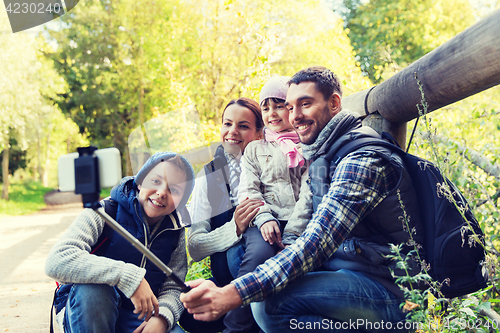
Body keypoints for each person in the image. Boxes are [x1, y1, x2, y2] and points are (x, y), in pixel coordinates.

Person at [180, 66, 423, 333]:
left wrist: (233, 294)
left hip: (389, 289)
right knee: (258, 286)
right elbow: (197, 243)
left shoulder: (359, 159)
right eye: (291, 106)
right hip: (348, 268)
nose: (295, 116)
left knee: (270, 306)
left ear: (334, 103)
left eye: (304, 104)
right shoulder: (322, 151)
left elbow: (317, 241)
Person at [45, 152, 195, 333]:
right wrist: (127, 276)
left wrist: (162, 318)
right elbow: (56, 261)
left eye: (175, 190)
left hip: (139, 316)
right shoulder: (104, 212)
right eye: (155, 181)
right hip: (88, 311)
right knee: (95, 291)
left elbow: (173, 286)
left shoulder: (175, 230)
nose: (162, 192)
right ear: (139, 182)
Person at [221, 76, 313, 332]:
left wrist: (294, 232)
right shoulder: (254, 150)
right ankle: (235, 327)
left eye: (279, 105)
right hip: (263, 220)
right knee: (258, 256)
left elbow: (309, 191)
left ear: (291, 107)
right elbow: (249, 189)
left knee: (297, 262)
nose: (272, 113)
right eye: (266, 107)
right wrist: (264, 218)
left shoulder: (307, 145)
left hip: (298, 222)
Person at [180, 97, 264, 333]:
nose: (232, 132)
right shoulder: (209, 176)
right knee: (188, 313)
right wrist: (234, 228)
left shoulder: (273, 165)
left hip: (270, 265)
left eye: (243, 126)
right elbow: (195, 247)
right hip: (228, 274)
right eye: (227, 124)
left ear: (260, 133)